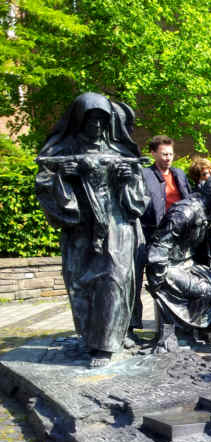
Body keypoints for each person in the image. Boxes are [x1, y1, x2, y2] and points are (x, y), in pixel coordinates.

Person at [35, 92, 149, 367]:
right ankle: (90, 338)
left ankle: (106, 344)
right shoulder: (62, 153)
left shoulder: (121, 152)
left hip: (117, 225)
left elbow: (139, 198)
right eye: (90, 121)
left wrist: (127, 181)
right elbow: (45, 184)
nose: (96, 127)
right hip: (81, 229)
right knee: (81, 282)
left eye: (102, 121)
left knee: (114, 278)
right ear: (79, 122)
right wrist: (65, 178)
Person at [147, 174, 211, 353]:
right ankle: (182, 334)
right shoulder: (184, 212)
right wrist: (158, 277)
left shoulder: (208, 210)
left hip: (187, 264)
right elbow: (159, 246)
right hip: (168, 267)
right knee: (204, 290)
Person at [138, 135, 192, 330]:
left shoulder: (179, 174)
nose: (168, 158)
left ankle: (181, 325)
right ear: (153, 153)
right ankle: (163, 328)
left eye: (170, 154)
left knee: (179, 280)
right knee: (158, 282)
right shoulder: (144, 175)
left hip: (179, 238)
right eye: (164, 154)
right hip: (154, 236)